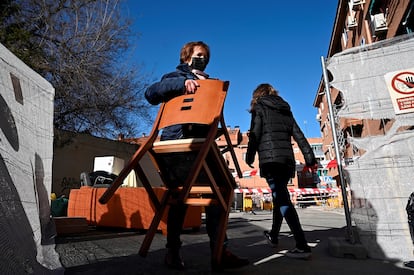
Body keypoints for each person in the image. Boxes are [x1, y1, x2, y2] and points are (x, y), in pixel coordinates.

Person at [145, 41, 249, 271]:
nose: (203, 59)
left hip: (203, 147)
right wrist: (183, 83)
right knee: (180, 196)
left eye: (205, 56)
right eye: (198, 55)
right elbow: (150, 93)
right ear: (186, 57)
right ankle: (174, 250)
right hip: (180, 146)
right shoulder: (173, 76)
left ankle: (219, 250)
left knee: (222, 188)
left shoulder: (211, 83)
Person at [245, 83, 318, 259]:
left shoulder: (259, 107)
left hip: (271, 161)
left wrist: (249, 156)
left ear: (257, 95)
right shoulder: (285, 109)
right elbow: (298, 134)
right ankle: (274, 236)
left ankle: (301, 245)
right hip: (287, 162)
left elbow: (255, 133)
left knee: (283, 200)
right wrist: (310, 158)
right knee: (280, 197)